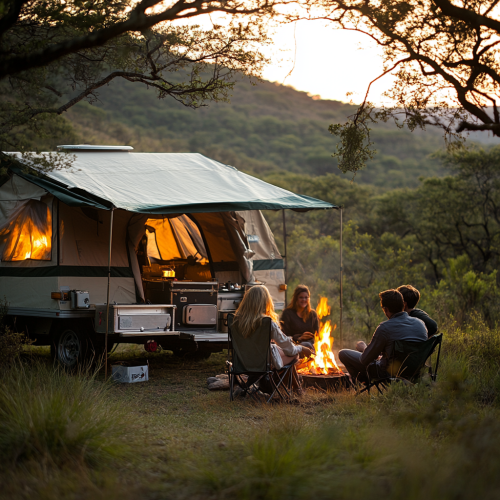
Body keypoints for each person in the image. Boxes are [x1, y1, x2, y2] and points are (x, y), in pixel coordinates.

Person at [338, 289, 428, 384]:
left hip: (389, 373)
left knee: (343, 353)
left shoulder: (384, 328)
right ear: (403, 305)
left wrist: (364, 349)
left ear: (385, 309)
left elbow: (364, 360)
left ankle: (362, 383)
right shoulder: (420, 324)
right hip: (415, 371)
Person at [233, 285, 313, 368]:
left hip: (242, 364)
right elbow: (290, 350)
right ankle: (281, 380)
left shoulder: (235, 321)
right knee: (295, 355)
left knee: (278, 350)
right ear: (266, 301)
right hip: (263, 365)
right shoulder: (267, 323)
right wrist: (301, 348)